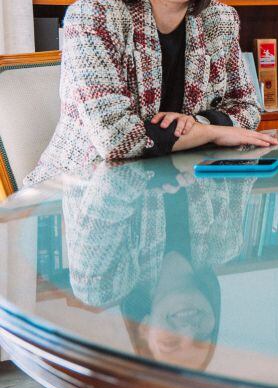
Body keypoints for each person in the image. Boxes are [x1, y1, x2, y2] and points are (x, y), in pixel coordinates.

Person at [25, 0, 276, 185]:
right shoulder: (93, 18)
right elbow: (116, 139)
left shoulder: (219, 19)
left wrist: (199, 123)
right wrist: (213, 131)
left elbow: (247, 108)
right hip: (86, 191)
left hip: (180, 182)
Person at [62, 157, 255, 370]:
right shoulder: (225, 244)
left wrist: (181, 148)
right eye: (202, 338)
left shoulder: (99, 286)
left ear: (144, 329)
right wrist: (201, 130)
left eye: (170, 342)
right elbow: (247, 148)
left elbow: (114, 170)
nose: (189, 331)